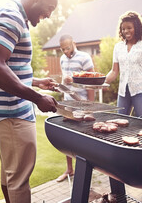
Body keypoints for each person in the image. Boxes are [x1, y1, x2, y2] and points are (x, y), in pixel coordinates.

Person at [0, 0, 58, 203]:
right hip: (12, 111)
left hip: (9, 109)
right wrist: (37, 98)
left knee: (10, 173)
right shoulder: (12, 16)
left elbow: (8, 66)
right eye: (49, 7)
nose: (49, 15)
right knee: (19, 180)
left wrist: (36, 82)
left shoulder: (13, 14)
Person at [56, 34, 95, 182]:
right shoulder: (62, 59)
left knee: (83, 139)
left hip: (82, 103)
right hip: (67, 103)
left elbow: (91, 82)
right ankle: (69, 170)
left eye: (67, 47)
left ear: (74, 43)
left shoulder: (85, 58)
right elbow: (63, 80)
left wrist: (90, 108)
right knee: (67, 137)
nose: (65, 51)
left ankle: (86, 172)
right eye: (62, 49)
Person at [105, 11, 142, 118]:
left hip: (140, 91)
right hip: (123, 92)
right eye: (123, 29)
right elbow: (114, 72)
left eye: (129, 28)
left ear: (136, 28)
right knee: (120, 121)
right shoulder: (118, 47)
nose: (126, 31)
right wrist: (101, 82)